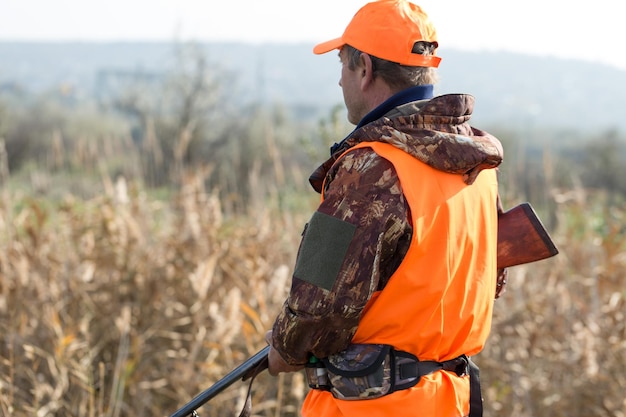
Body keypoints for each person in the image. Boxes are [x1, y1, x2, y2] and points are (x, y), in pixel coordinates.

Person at [265, 1, 507, 416]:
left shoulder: (369, 168)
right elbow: (488, 280)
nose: (339, 82)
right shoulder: (477, 164)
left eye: (342, 65)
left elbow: (317, 309)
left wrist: (283, 348)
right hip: (450, 401)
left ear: (365, 69)